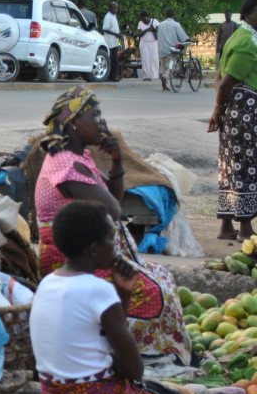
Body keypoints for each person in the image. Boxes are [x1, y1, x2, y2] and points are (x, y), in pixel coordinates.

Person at [31, 200, 257, 394]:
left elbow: (96, 344)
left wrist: (123, 294)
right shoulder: (98, 290)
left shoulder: (49, 283)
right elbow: (134, 369)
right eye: (110, 239)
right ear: (94, 249)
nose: (116, 247)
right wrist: (119, 295)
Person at [34, 85, 191, 364]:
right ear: (72, 122)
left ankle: (150, 350)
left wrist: (117, 162)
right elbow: (115, 209)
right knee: (155, 291)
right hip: (70, 257)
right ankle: (140, 355)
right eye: (95, 115)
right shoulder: (66, 166)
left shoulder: (79, 157)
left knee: (162, 277)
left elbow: (113, 198)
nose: (102, 123)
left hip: (89, 251)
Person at [208, 0, 257, 241]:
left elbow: (218, 78)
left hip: (233, 109)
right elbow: (226, 82)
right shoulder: (248, 41)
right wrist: (218, 108)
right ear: (248, 15)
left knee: (229, 165)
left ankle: (227, 226)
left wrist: (219, 108)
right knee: (245, 166)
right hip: (246, 112)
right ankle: (245, 228)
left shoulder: (237, 36)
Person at [156, 9, 194, 92]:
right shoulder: (176, 24)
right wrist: (191, 40)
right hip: (172, 49)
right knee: (171, 67)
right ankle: (164, 77)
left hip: (161, 49)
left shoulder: (161, 24)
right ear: (173, 15)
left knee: (164, 67)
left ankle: (165, 86)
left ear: (166, 15)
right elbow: (184, 37)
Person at [215, 10, 239, 81]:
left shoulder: (235, 25)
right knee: (222, 61)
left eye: (228, 15)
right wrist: (217, 46)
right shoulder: (221, 25)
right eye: (226, 15)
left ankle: (230, 75)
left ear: (231, 15)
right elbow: (219, 36)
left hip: (231, 46)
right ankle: (222, 75)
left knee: (231, 60)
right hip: (222, 46)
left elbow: (237, 36)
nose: (227, 16)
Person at [136, 10, 159, 82]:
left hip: (153, 43)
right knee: (145, 60)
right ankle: (146, 76)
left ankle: (155, 76)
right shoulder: (140, 23)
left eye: (144, 18)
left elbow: (160, 30)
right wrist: (147, 29)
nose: (143, 20)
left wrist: (153, 29)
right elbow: (139, 34)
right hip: (144, 43)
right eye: (142, 19)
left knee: (154, 59)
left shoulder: (154, 21)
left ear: (147, 17)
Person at [101, 1, 121, 82]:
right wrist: (116, 34)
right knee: (111, 60)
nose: (115, 10)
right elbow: (105, 29)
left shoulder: (114, 16)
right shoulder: (108, 16)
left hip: (114, 42)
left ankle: (113, 76)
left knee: (115, 60)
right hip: (109, 42)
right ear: (110, 8)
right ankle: (109, 76)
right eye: (114, 8)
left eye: (116, 8)